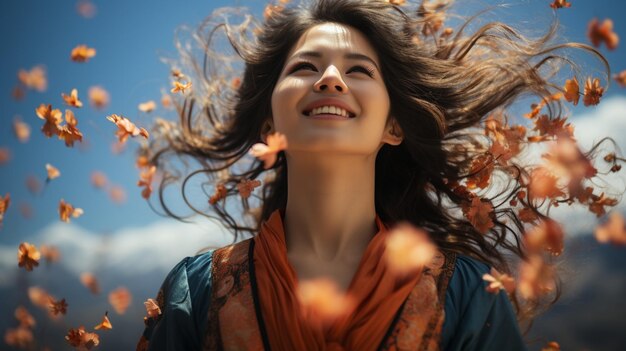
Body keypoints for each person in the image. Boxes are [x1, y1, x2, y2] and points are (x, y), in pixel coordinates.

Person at [137, 0, 613, 350]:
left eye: (358, 70)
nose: (330, 79)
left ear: (394, 125)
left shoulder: (465, 293)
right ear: (269, 121)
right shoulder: (198, 292)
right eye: (304, 67)